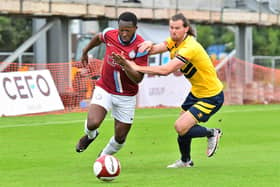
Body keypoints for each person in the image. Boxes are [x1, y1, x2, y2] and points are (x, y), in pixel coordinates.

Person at [113, 13, 224, 168]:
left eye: (177, 28)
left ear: (186, 28)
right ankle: (186, 161)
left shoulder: (189, 47)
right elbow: (154, 49)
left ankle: (212, 133)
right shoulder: (174, 41)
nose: (173, 31)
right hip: (197, 93)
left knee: (180, 126)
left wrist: (136, 67)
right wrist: (148, 44)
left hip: (211, 96)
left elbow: (165, 70)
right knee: (182, 129)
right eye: (171, 27)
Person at [75, 12, 148, 157]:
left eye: (128, 30)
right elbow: (98, 37)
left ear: (135, 28)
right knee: (92, 123)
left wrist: (125, 65)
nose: (124, 33)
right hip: (105, 88)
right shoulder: (110, 34)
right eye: (121, 30)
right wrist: (85, 51)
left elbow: (138, 79)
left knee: (120, 138)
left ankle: (103, 157)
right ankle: (90, 136)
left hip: (126, 96)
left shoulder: (140, 47)